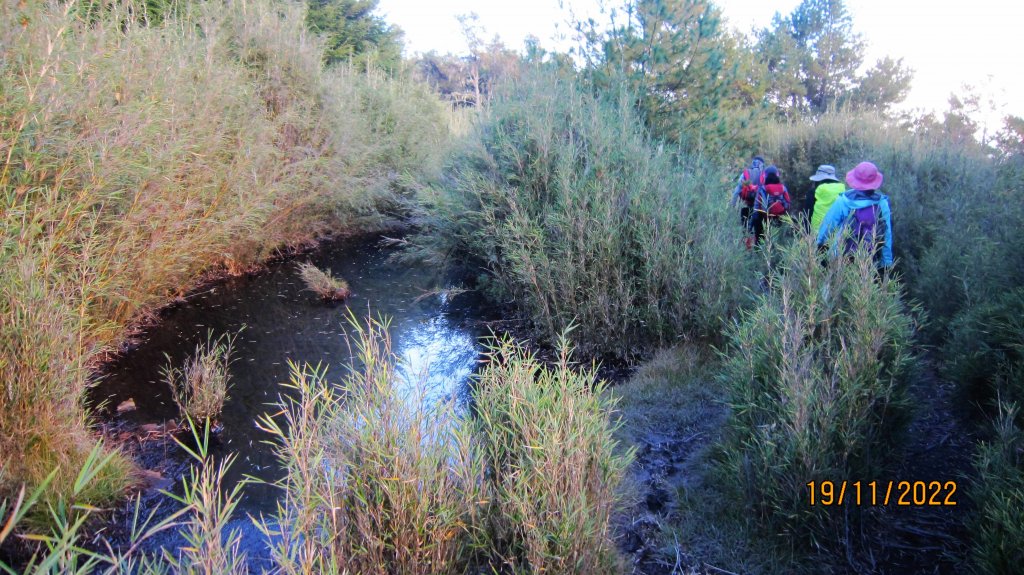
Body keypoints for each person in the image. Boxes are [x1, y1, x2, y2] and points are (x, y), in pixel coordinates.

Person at [815, 161, 893, 268]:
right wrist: (886, 263)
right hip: (869, 260)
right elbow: (887, 235)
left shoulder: (843, 201)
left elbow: (828, 226)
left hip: (841, 256)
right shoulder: (882, 203)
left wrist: (818, 245)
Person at [750, 165, 791, 245]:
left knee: (760, 240)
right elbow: (788, 204)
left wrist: (752, 223)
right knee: (778, 240)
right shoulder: (783, 188)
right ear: (777, 175)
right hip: (780, 218)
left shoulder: (762, 188)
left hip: (764, 219)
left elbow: (757, 206)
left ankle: (760, 254)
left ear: (765, 176)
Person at [730, 156, 766, 230]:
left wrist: (732, 204)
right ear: (762, 165)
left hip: (745, 205)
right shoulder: (764, 175)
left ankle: (745, 240)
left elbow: (737, 190)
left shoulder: (746, 173)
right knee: (757, 230)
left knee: (745, 227)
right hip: (759, 207)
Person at [807, 164, 845, 233]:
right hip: (836, 232)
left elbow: (808, 214)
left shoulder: (814, 191)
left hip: (817, 232)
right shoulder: (842, 190)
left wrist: (806, 233)